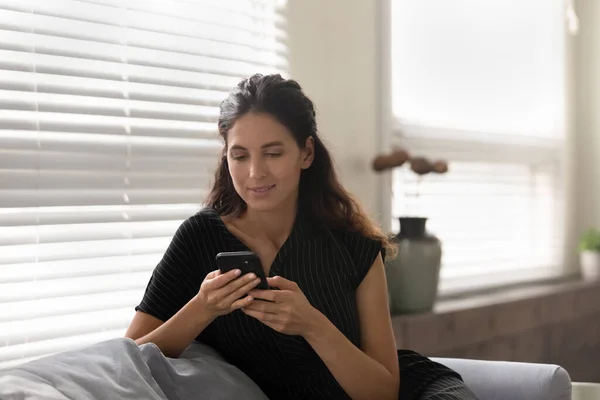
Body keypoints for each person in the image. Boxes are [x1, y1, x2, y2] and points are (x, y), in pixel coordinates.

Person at [125, 74, 477, 400]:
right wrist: (202, 308)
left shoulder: (352, 243)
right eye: (240, 155)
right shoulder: (199, 238)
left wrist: (311, 325)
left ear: (306, 153)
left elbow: (384, 391)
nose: (255, 172)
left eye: (273, 153)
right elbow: (128, 359)